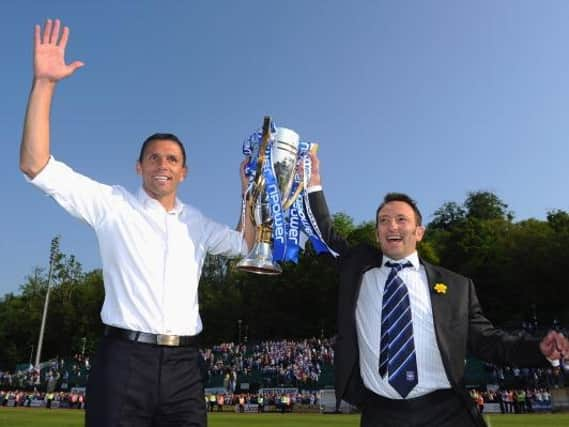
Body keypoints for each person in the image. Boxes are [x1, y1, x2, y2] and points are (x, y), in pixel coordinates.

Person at [20, 19, 254, 427]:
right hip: (124, 361)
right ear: (139, 167)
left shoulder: (195, 222)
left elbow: (245, 244)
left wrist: (248, 191)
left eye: (172, 159)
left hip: (184, 367)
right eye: (154, 157)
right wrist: (45, 83)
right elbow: (35, 164)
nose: (163, 164)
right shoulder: (112, 205)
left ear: (184, 172)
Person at [306, 151, 569, 427]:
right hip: (381, 414)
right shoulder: (357, 268)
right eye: (383, 221)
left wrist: (538, 350)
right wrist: (312, 182)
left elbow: (488, 342)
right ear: (376, 234)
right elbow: (324, 233)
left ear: (419, 232)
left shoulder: (456, 286)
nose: (391, 226)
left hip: (446, 412)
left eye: (400, 219)